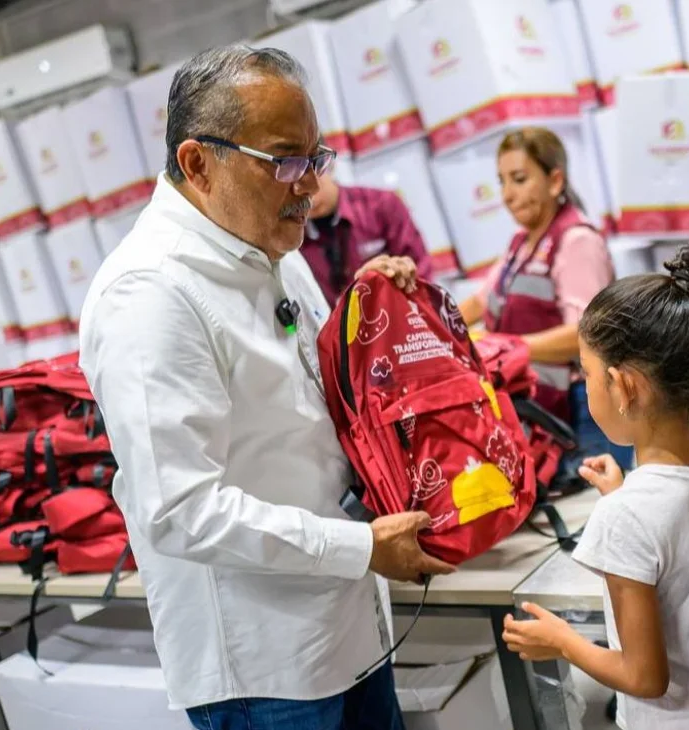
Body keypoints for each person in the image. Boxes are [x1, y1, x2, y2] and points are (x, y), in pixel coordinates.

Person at [77, 43, 455, 730]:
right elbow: (181, 509)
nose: (308, 185)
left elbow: (310, 405)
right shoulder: (151, 295)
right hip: (267, 672)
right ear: (198, 164)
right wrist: (361, 548)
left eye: (315, 159)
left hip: (350, 632)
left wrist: (370, 320)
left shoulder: (274, 253)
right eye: (285, 161)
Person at [500, 244, 689, 730]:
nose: (585, 384)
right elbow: (682, 548)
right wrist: (621, 497)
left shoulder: (629, 517)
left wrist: (561, 641)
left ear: (624, 386)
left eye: (586, 373)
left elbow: (643, 676)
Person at [456, 127, 631, 471]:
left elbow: (586, 332)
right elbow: (480, 302)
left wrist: (507, 348)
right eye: (502, 181)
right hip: (542, 412)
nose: (507, 194)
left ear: (554, 181)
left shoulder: (577, 241)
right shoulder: (521, 244)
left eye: (519, 179)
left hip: (582, 412)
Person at [299, 172, 435, 304]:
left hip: (399, 311)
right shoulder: (292, 239)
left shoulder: (381, 204)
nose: (310, 200)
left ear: (327, 165)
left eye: (312, 182)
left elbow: (420, 269)